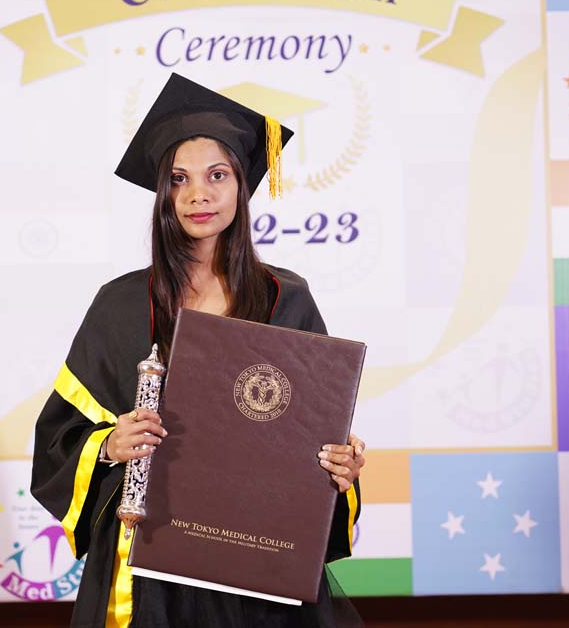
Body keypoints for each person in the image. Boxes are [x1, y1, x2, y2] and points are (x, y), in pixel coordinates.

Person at [31, 73, 365, 628]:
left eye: (217, 175)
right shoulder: (120, 305)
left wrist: (340, 464)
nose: (198, 195)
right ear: (163, 193)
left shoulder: (286, 299)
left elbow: (315, 436)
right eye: (179, 179)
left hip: (257, 557)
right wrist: (109, 445)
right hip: (150, 561)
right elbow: (58, 440)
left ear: (241, 185)